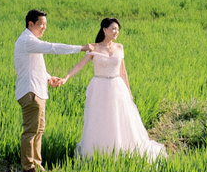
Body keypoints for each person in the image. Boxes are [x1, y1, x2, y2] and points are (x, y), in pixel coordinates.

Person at [60, 17, 166, 161]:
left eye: (117, 29)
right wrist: (66, 78)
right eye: (113, 29)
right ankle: (99, 152)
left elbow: (123, 71)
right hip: (99, 87)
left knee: (119, 118)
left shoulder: (120, 47)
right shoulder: (94, 48)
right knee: (100, 119)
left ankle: (120, 150)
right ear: (104, 30)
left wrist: (129, 91)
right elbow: (80, 65)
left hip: (117, 87)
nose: (116, 32)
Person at [14, 9, 90, 172]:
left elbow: (34, 67)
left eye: (45, 25)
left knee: (39, 130)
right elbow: (53, 47)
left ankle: (36, 164)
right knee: (31, 131)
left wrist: (48, 78)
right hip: (30, 92)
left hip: (37, 90)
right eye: (41, 24)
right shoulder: (27, 40)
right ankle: (28, 167)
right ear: (31, 24)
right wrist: (81, 48)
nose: (44, 28)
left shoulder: (30, 41)